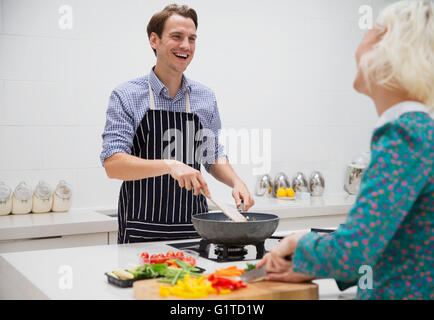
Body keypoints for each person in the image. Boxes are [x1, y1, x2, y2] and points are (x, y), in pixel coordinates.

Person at [257, 0, 434, 300]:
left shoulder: (404, 134)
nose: (358, 44)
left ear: (387, 47)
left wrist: (299, 245)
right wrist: (307, 260)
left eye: (369, 32)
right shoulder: (420, 129)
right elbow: (389, 245)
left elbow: (354, 250)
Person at [100, 4, 254, 244]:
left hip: (195, 228)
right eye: (177, 37)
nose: (186, 46)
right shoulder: (127, 95)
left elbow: (211, 156)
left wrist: (237, 181)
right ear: (154, 40)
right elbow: (113, 164)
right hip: (141, 230)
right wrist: (170, 165)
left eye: (192, 39)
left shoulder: (205, 97)